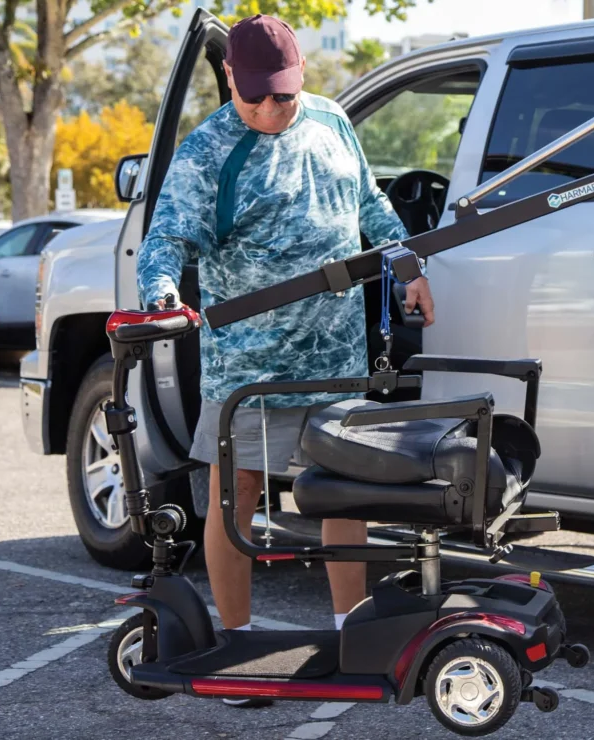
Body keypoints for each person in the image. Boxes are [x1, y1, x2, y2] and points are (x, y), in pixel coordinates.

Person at [135, 13, 435, 708]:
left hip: (334, 354)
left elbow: (370, 203)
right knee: (234, 500)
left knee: (347, 490)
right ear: (233, 82)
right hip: (250, 368)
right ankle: (238, 647)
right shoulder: (210, 150)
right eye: (258, 97)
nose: (273, 109)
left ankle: (350, 630)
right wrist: (160, 295)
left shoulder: (330, 121)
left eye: (285, 95)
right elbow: (167, 237)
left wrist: (407, 264)